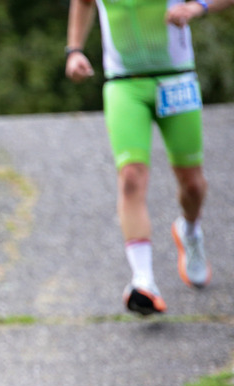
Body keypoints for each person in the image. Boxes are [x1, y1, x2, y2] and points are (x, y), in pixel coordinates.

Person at [65, 0, 234, 315]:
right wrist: (74, 51)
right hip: (124, 85)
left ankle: (190, 231)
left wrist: (197, 7)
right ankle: (143, 280)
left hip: (176, 79)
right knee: (130, 178)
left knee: (192, 184)